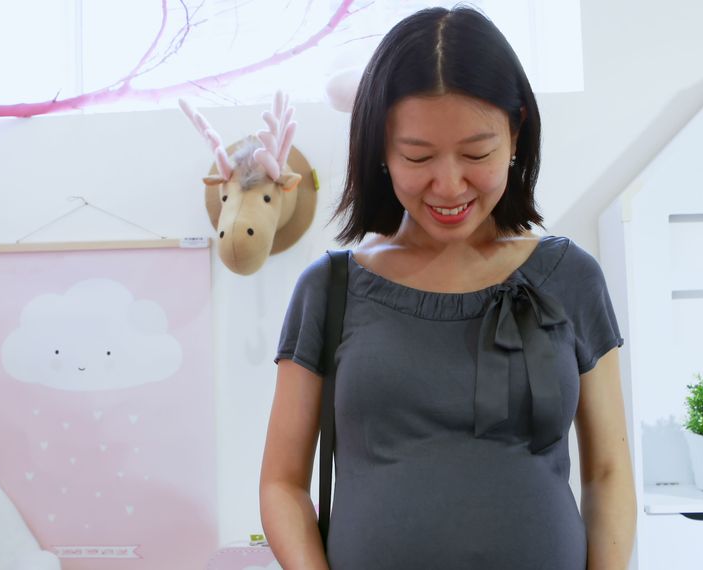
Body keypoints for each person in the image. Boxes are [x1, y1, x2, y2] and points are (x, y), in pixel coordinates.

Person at [259, 6, 635, 569]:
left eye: (477, 153)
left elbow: (607, 471)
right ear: (380, 151)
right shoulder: (330, 287)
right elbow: (283, 483)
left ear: (516, 134)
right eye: (418, 157)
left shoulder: (571, 277)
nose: (449, 184)